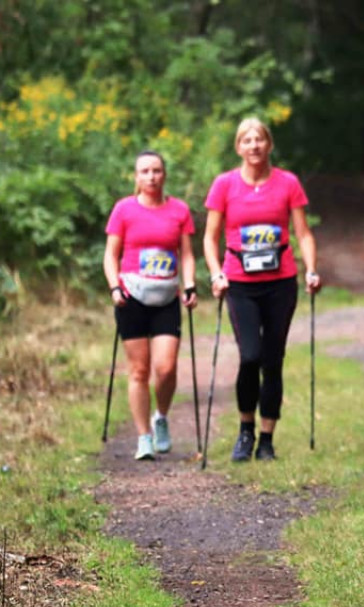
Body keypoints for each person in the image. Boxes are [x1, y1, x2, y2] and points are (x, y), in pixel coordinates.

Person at [203, 117, 322, 463]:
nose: (254, 146)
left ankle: (267, 439)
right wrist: (215, 273)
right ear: (238, 147)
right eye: (247, 140)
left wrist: (311, 268)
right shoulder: (224, 185)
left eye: (260, 139)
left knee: (273, 360)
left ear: (269, 145)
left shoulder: (288, 183)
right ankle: (245, 430)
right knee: (249, 356)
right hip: (239, 283)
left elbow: (303, 233)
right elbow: (211, 237)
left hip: (280, 283)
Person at [103, 150, 197, 461]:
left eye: (156, 170)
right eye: (144, 171)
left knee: (166, 367)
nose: (151, 177)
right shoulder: (124, 210)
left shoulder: (179, 210)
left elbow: (186, 255)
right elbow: (110, 255)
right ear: (136, 177)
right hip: (131, 296)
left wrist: (191, 285)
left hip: (167, 297)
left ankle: (161, 417)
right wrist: (115, 286)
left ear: (164, 175)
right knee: (139, 371)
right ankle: (143, 437)